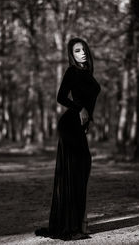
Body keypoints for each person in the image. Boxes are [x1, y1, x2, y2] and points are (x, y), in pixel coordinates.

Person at [35, 37, 101, 240]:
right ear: (71, 56)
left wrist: (87, 120)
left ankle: (76, 223)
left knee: (81, 169)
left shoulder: (88, 73)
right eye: (76, 51)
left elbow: (89, 102)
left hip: (78, 127)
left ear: (87, 51)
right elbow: (61, 97)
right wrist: (80, 109)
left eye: (82, 50)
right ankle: (70, 228)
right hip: (69, 125)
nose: (80, 53)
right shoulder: (72, 72)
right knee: (74, 172)